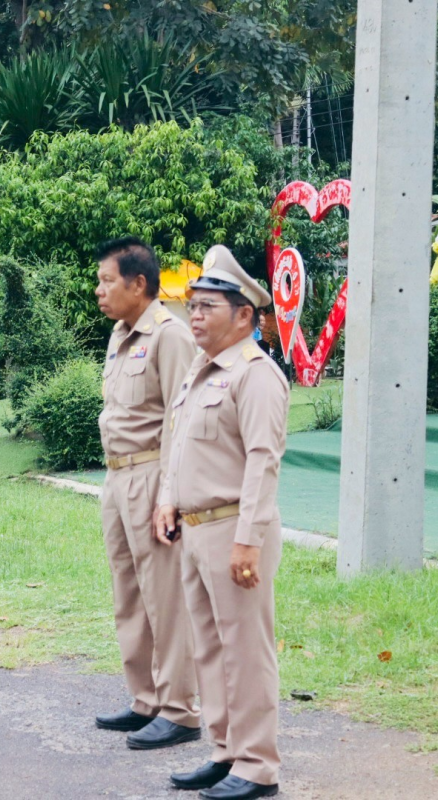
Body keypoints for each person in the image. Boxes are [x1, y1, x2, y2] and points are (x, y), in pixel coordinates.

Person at [155, 245, 288, 799]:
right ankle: (225, 750)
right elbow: (177, 444)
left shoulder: (254, 375)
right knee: (209, 648)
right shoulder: (199, 372)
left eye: (209, 306)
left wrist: (248, 541)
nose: (196, 316)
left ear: (244, 316)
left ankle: (257, 766)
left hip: (235, 530)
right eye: (193, 305)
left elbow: (263, 461)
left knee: (245, 651)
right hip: (194, 530)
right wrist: (166, 497)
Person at [93, 236, 201, 750]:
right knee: (129, 595)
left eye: (107, 280)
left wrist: (171, 494)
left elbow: (182, 423)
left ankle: (180, 708)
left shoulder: (169, 336)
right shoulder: (120, 335)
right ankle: (146, 700)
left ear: (139, 284)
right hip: (117, 478)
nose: (99, 290)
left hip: (152, 477)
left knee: (166, 597)